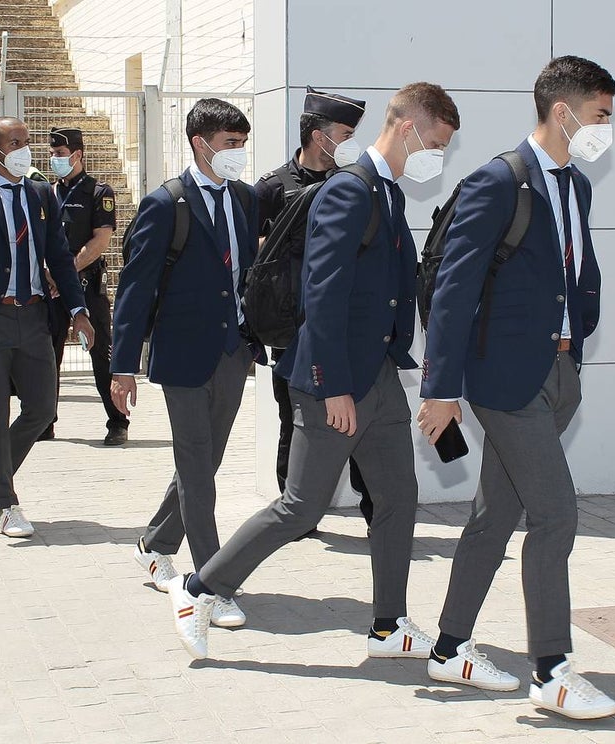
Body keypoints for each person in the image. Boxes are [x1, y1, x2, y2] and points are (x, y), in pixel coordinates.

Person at [166, 84, 460, 660]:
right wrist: (332, 385)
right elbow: (321, 293)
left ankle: (389, 625)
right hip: (336, 379)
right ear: (408, 129)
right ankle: (199, 589)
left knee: (398, 497)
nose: (439, 156)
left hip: (377, 375)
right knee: (301, 506)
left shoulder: (385, 191)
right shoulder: (350, 191)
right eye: (437, 143)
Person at [417, 56, 615, 720]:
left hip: (556, 374)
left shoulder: (576, 185)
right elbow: (454, 292)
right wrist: (441, 388)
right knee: (556, 514)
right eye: (600, 116)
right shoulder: (499, 181)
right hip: (505, 383)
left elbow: (577, 275)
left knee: (495, 516)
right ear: (563, 112)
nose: (606, 129)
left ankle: (449, 648)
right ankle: (552, 671)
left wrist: (574, 348)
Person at [111, 98, 262, 628]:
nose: (238, 154)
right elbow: (135, 289)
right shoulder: (165, 204)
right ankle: (211, 585)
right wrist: (122, 365)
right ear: (200, 144)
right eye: (229, 144)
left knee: (204, 462)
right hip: (182, 356)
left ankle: (155, 544)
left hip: (232, 353)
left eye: (242, 144)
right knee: (198, 469)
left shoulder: (244, 198)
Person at [0, 116, 95, 538]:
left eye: (27, 142)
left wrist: (79, 309)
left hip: (34, 316)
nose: (24, 150)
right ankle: (6, 504)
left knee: (42, 408)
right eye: (15, 143)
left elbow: (59, 257)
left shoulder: (41, 194)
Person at [254, 87, 376, 528]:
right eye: (345, 134)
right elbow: (252, 254)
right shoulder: (272, 187)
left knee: (362, 419)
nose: (351, 143)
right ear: (318, 136)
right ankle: (297, 513)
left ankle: (375, 509)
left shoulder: (354, 183)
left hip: (343, 324)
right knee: (296, 421)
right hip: (292, 328)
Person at [42, 126, 127, 446]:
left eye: (60, 154)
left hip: (86, 284)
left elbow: (100, 241)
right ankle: (45, 421)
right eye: (52, 154)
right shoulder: (47, 193)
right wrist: (49, 274)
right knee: (48, 356)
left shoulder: (98, 192)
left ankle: (117, 421)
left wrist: (63, 272)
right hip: (51, 287)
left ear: (77, 155)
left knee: (101, 353)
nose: (54, 159)